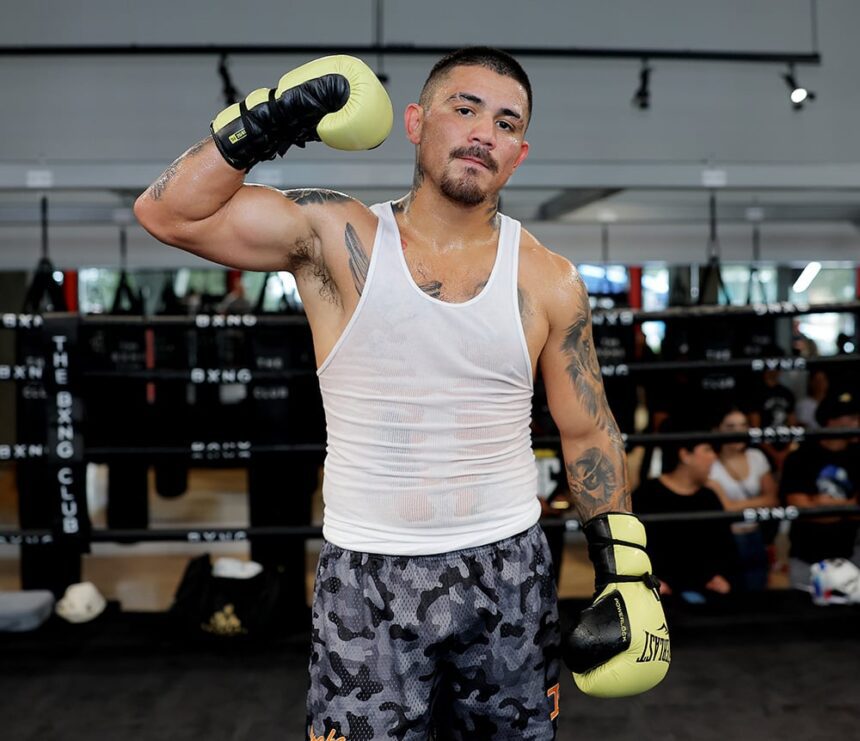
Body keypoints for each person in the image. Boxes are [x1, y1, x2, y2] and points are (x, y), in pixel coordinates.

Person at [135, 48, 669, 738]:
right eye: (465, 108)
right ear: (416, 121)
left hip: (508, 570)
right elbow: (167, 212)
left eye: (507, 122)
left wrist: (625, 568)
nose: (484, 132)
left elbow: (589, 429)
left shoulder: (549, 279)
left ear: (520, 153)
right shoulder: (336, 235)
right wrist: (275, 116)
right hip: (368, 575)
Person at [633, 417, 738, 603]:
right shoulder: (646, 496)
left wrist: (723, 577)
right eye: (707, 450)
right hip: (659, 602)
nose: (714, 456)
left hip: (708, 598)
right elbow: (632, 551)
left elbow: (726, 548)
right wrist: (650, 581)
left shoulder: (709, 497)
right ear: (685, 455)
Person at [779, 389, 860, 596]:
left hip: (850, 555)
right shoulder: (802, 456)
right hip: (806, 557)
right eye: (851, 418)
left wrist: (822, 504)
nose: (857, 423)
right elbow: (800, 505)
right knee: (806, 620)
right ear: (831, 421)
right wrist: (845, 506)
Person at [707, 407, 779, 591]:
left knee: (758, 591)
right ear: (718, 430)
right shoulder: (710, 462)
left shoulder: (757, 456)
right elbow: (725, 508)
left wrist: (738, 506)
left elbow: (772, 499)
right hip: (728, 539)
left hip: (756, 534)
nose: (739, 431)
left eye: (743, 425)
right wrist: (757, 503)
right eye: (731, 426)